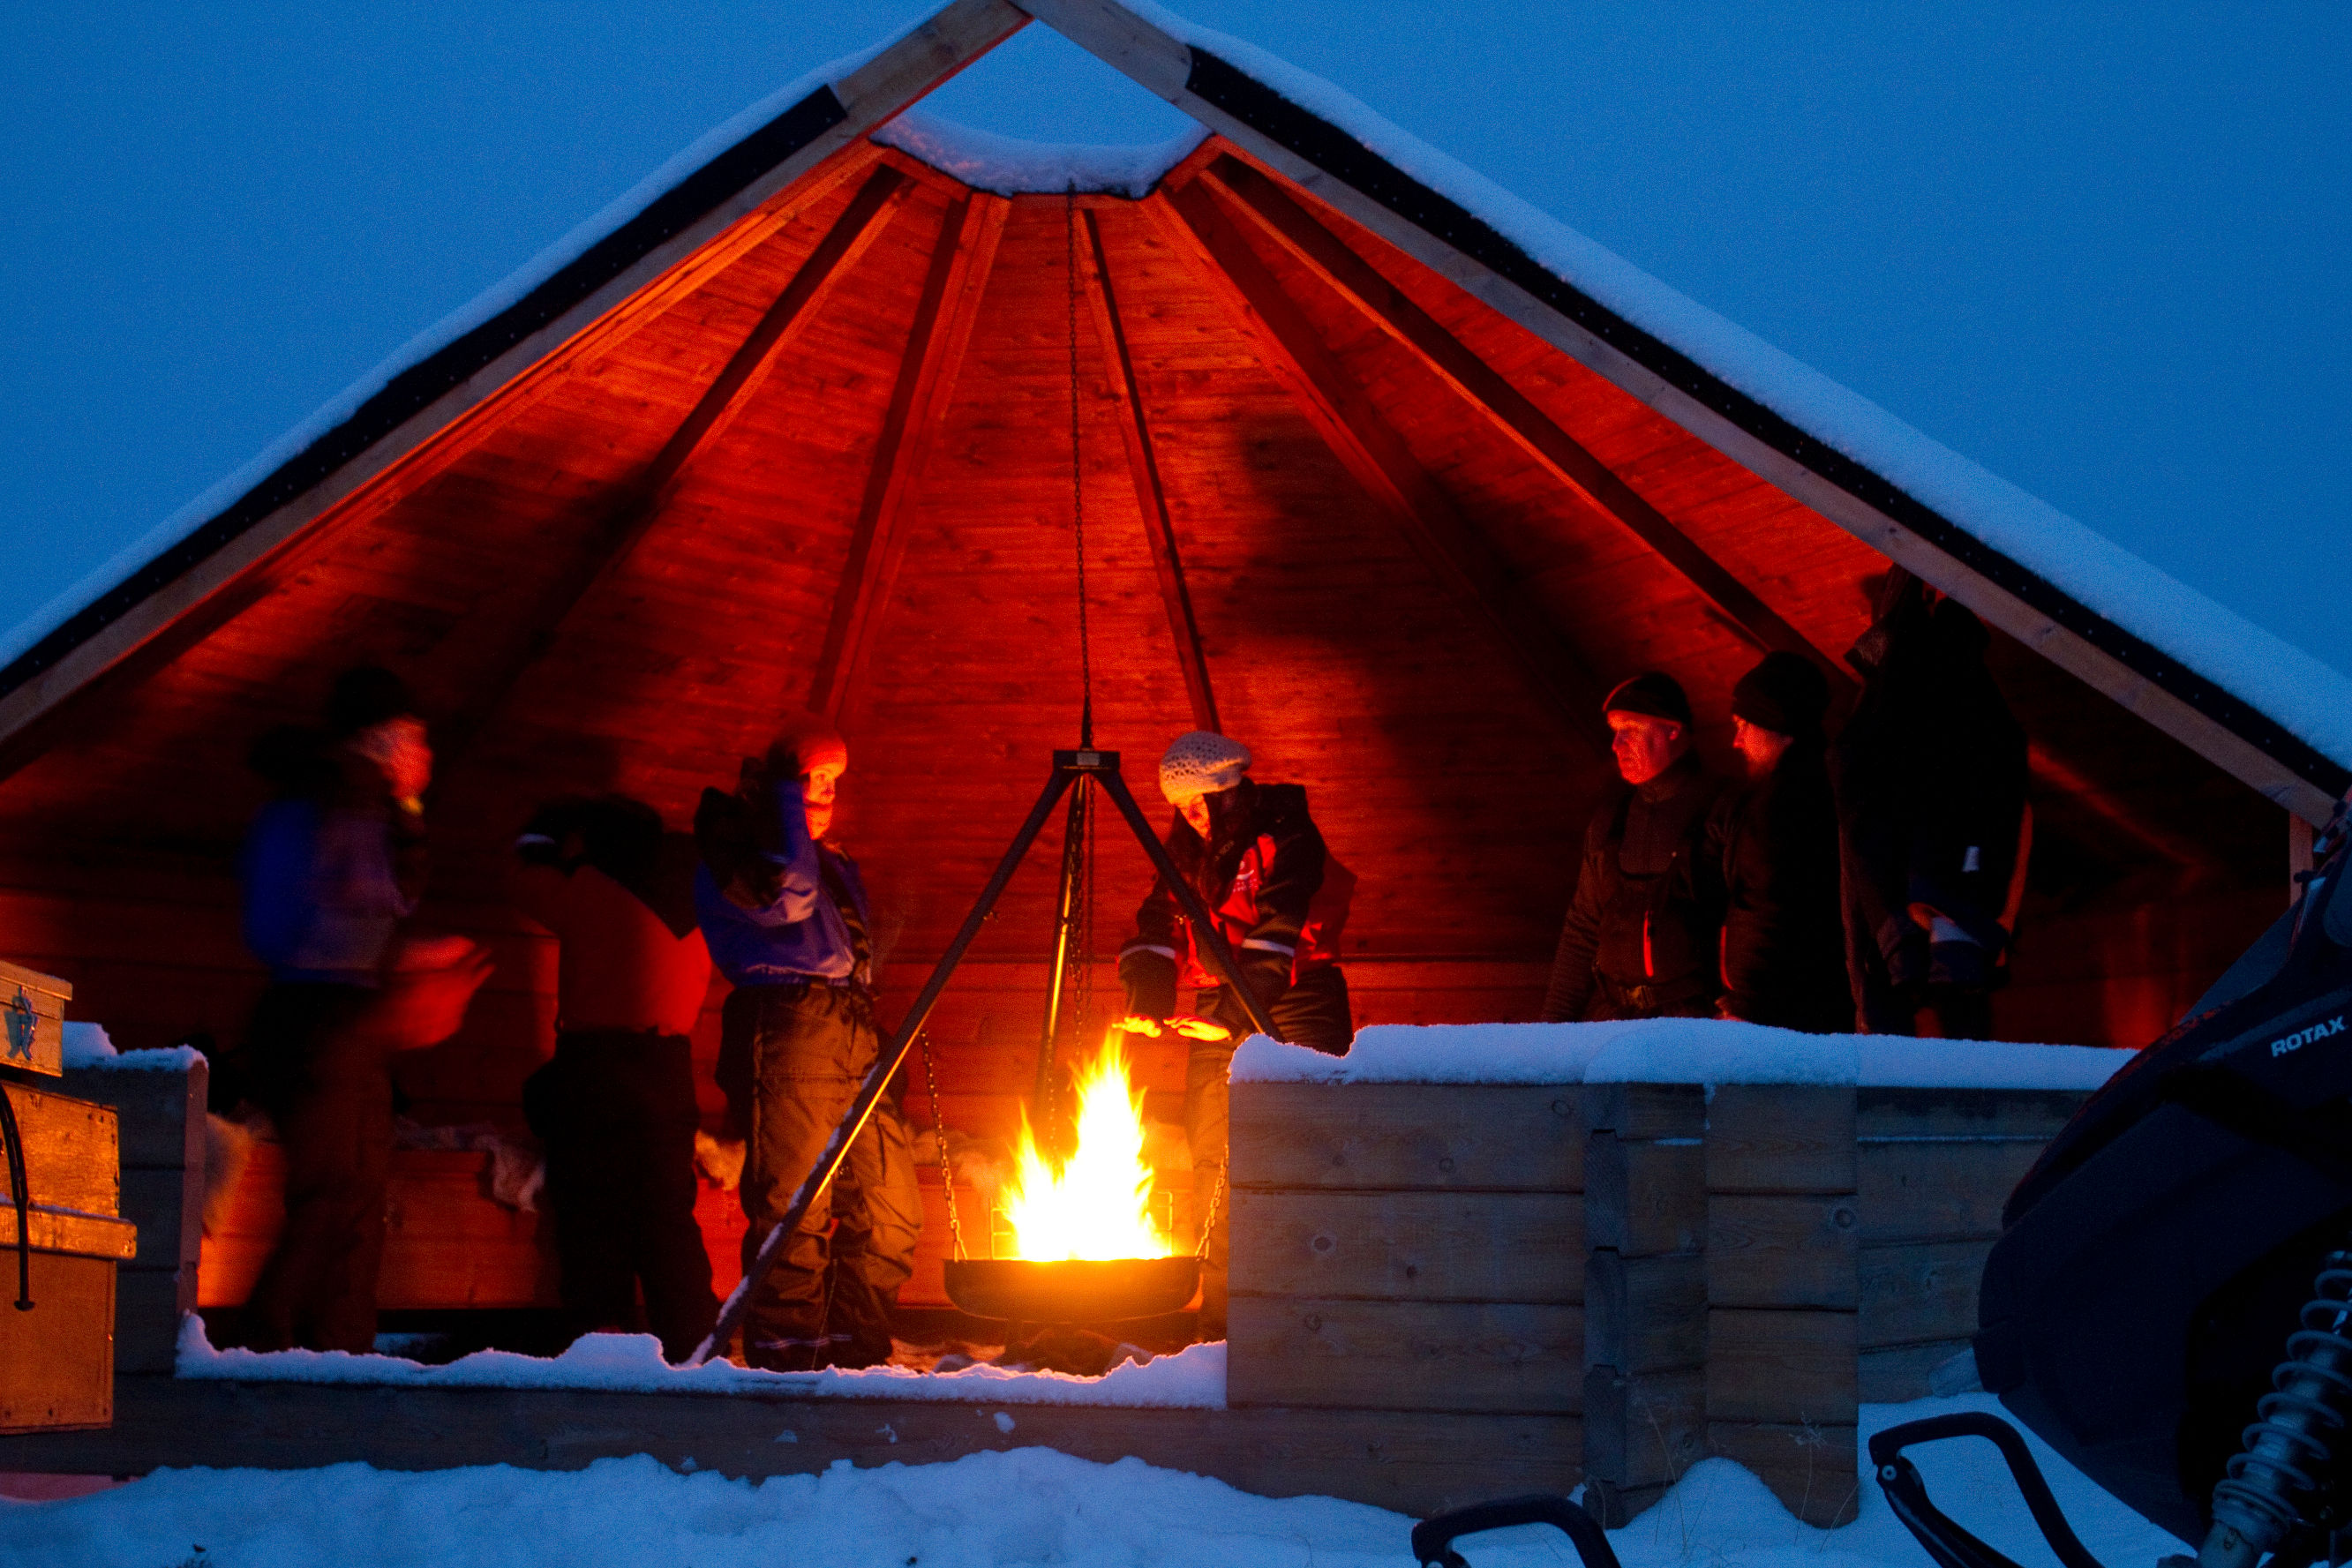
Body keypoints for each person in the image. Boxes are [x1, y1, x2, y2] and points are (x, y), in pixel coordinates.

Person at [693, 715, 919, 1371]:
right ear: (777, 790)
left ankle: (858, 1358)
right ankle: (789, 1369)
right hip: (790, 1025)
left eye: (830, 784)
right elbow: (787, 902)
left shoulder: (828, 858)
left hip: (850, 1026)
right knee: (796, 1209)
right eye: (810, 782)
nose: (823, 795)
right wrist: (784, 798)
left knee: (890, 1210)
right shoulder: (734, 851)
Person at [1117, 731, 1356, 1339]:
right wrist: (1148, 997)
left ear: (1229, 794)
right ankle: (1221, 1329)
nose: (1189, 818)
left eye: (1198, 804)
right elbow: (1156, 921)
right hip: (1216, 1009)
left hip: (1297, 1004)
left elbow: (1275, 936)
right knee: (1213, 1161)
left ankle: (1313, 1322)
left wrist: (1231, 1013)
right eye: (1179, 808)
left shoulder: (1288, 836)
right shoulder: (1187, 852)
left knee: (1304, 1155)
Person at [235, 667, 432, 1353]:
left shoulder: (353, 805)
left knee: (351, 1198)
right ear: (379, 742)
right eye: (413, 739)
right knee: (334, 1195)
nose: (425, 757)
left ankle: (340, 1353)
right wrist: (362, 965)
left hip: (332, 1015)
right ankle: (265, 1345)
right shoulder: (337, 806)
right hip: (325, 1015)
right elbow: (359, 906)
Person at [511, 793, 718, 1362]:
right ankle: (695, 1350)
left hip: (595, 1067)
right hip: (669, 1069)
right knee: (667, 1217)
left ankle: (599, 1353)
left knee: (592, 1217)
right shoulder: (700, 891)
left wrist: (545, 834)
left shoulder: (590, 887)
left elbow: (523, 880)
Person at [1831, 570, 2030, 1038]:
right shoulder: (1967, 699)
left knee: (1919, 1027)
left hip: (1918, 902)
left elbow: (1871, 803)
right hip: (1938, 901)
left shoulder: (1917, 695)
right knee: (1960, 1028)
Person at [1543, 672, 1727, 1023]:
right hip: (1613, 1020)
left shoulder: (1722, 812)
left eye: (1629, 730)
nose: (1616, 745)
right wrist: (1552, 1027)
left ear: (1672, 730)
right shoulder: (1612, 821)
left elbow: (1754, 920)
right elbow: (1582, 930)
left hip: (1697, 1027)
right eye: (1615, 732)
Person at [1706, 652, 1851, 1032]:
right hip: (1804, 1003)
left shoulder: (1787, 803)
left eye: (1744, 725)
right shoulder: (1818, 785)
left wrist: (1749, 1001)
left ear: (1779, 725)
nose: (1737, 742)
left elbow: (1771, 902)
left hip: (1782, 1013)